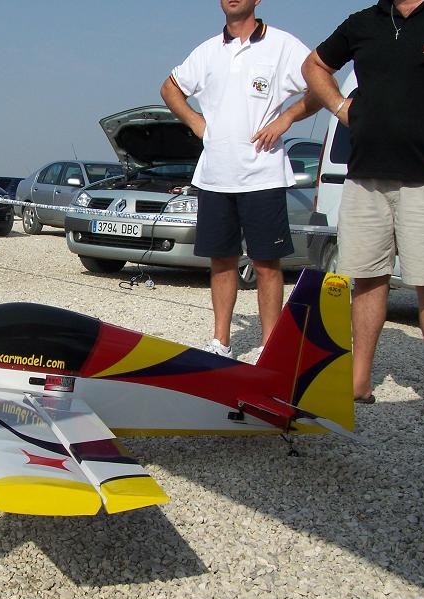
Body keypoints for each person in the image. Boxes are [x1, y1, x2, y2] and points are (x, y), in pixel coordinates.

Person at [302, 0, 424, 426]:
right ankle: (358, 381)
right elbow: (313, 65)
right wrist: (340, 107)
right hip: (366, 176)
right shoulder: (363, 22)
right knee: (367, 279)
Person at [160, 0, 320, 362]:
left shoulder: (282, 45)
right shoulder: (207, 51)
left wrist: (287, 118)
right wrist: (196, 123)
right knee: (221, 261)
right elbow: (169, 88)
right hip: (215, 175)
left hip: (263, 174)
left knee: (266, 264)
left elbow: (320, 86)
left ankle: (269, 348)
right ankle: (221, 342)